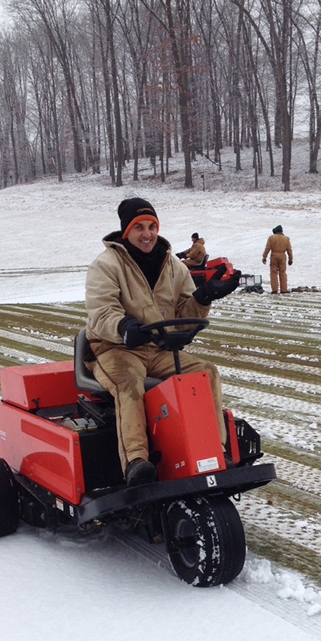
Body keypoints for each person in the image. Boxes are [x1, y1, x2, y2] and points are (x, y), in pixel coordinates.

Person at [85, 198, 241, 487]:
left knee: (205, 372)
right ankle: (136, 462)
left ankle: (214, 453)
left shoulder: (174, 267)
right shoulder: (105, 266)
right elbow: (101, 314)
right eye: (139, 227)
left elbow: (182, 318)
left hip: (158, 348)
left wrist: (204, 296)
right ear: (125, 232)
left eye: (152, 226)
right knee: (128, 385)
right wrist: (125, 327)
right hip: (116, 349)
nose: (147, 234)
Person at [262, 224, 293, 294]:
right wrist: (290, 259)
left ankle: (274, 289)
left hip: (274, 256)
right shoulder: (286, 239)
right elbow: (289, 250)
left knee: (273, 273)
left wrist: (264, 257)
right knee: (282, 273)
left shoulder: (271, 238)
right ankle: (284, 289)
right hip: (282, 256)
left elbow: (267, 248)